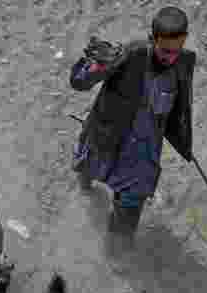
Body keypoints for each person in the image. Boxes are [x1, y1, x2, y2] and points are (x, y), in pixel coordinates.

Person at [69, 6, 195, 239]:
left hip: (142, 151)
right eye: (165, 50)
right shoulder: (130, 54)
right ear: (153, 38)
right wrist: (95, 67)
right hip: (108, 136)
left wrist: (182, 138)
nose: (170, 57)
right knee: (88, 168)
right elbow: (79, 82)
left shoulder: (185, 62)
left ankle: (118, 255)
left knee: (129, 207)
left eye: (176, 50)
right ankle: (84, 182)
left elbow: (181, 104)